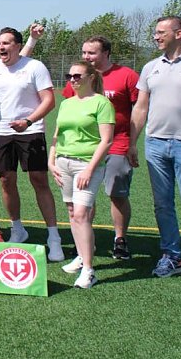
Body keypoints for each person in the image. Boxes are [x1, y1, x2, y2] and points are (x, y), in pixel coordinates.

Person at [129, 16, 181, 287]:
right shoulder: (150, 67)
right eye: (155, 32)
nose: (155, 36)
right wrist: (132, 142)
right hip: (155, 144)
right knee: (162, 204)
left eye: (160, 32)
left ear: (179, 33)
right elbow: (140, 108)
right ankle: (172, 257)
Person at [0, 27, 64, 261]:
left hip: (31, 131)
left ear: (18, 45)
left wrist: (29, 121)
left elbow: (49, 100)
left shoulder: (34, 67)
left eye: (7, 43)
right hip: (2, 133)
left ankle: (54, 237)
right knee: (6, 181)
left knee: (39, 181)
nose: (1, 47)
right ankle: (17, 229)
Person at [61, 36, 139, 259]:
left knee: (116, 193)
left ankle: (120, 238)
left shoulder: (127, 75)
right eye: (84, 52)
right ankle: (86, 242)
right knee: (85, 198)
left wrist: (132, 143)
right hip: (84, 148)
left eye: (91, 53)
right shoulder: (77, 80)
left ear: (106, 53)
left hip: (116, 143)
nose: (86, 57)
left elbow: (139, 111)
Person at [49, 61, 114, 288]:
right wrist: (51, 160)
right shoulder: (66, 103)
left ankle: (89, 269)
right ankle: (80, 256)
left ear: (90, 77)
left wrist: (89, 168)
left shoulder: (101, 103)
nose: (72, 80)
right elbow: (57, 135)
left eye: (77, 76)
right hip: (63, 163)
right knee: (71, 212)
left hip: (88, 165)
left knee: (81, 214)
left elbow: (106, 140)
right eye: (70, 76)